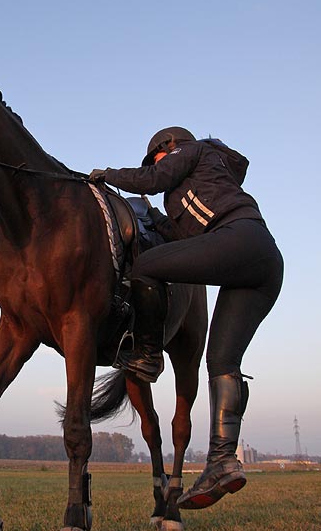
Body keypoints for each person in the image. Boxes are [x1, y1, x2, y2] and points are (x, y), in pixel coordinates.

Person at [89, 127, 283, 509]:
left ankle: (146, 353)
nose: (157, 167)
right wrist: (150, 215)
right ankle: (223, 461)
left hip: (239, 239)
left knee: (145, 267)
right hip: (263, 265)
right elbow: (177, 237)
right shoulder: (193, 191)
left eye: (156, 158)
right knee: (222, 362)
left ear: (168, 148)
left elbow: (153, 178)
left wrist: (108, 176)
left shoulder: (194, 152)